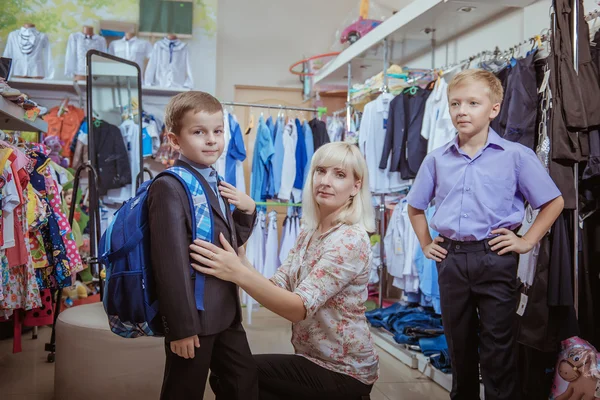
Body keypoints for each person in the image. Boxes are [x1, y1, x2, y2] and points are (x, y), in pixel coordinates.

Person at [406, 69, 564, 400]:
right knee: (459, 347)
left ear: (493, 109)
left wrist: (526, 240)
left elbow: (553, 201)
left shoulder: (516, 156)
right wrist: (425, 244)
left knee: (498, 350)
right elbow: (415, 207)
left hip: (495, 258)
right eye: (455, 104)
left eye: (473, 103)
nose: (462, 111)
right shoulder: (437, 160)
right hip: (451, 260)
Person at [189, 142, 379, 400]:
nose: (325, 180)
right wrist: (241, 261)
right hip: (312, 356)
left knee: (232, 375)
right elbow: (278, 285)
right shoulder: (311, 232)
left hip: (344, 370)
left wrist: (238, 273)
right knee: (232, 373)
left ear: (356, 187)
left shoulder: (349, 240)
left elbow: (297, 308)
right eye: (320, 171)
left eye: (340, 174)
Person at [148, 91, 259, 400]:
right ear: (175, 139)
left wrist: (247, 211)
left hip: (224, 310)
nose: (212, 140)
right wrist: (181, 327)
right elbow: (169, 264)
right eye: (199, 132)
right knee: (184, 389)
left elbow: (228, 244)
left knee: (242, 380)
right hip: (194, 318)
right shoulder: (170, 186)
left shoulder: (215, 180)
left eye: (217, 131)